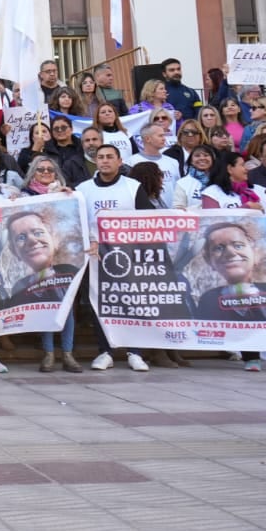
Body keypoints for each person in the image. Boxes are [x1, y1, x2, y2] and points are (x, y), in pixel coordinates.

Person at [78, 145, 152, 372]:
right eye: (100, 157)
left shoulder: (133, 187)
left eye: (110, 157)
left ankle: (134, 352)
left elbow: (149, 220)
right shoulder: (83, 189)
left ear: (120, 161)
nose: (105, 161)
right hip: (95, 256)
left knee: (131, 302)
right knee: (99, 304)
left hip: (127, 255)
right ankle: (105, 351)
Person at [3, 205, 82, 374]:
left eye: (38, 232)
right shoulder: (19, 286)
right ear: (14, 250)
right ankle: (49, 354)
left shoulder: (71, 270)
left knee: (66, 309)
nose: (32, 240)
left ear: (53, 237)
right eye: (21, 237)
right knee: (45, 310)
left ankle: (67, 354)